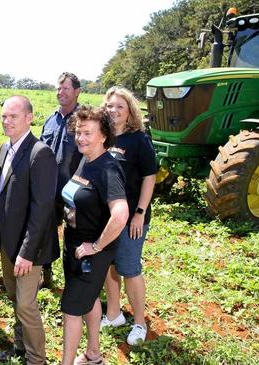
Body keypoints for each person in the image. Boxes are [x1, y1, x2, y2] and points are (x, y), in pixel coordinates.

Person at [0, 96, 58, 365]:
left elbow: (42, 208)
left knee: (26, 305)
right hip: (7, 243)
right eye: (4, 116)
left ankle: (36, 359)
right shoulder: (4, 148)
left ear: (29, 118)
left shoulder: (40, 153)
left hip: (28, 248)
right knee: (13, 296)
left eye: (13, 116)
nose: (7, 121)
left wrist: (27, 252)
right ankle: (20, 347)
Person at [60, 106, 128, 365]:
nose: (81, 138)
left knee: (71, 309)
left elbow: (120, 214)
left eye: (88, 133)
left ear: (103, 136)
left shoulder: (108, 168)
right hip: (74, 244)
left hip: (92, 251)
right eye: (78, 132)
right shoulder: (86, 159)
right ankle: (93, 354)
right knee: (88, 302)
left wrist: (97, 246)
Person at [100, 86, 157, 346]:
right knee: (109, 266)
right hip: (106, 216)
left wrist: (140, 213)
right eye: (110, 106)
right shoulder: (104, 136)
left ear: (130, 111)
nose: (114, 111)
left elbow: (149, 177)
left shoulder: (138, 140)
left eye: (119, 107)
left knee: (129, 268)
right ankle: (113, 314)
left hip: (131, 217)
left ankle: (139, 323)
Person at [40, 72, 82, 288]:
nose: (60, 92)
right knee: (47, 232)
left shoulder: (84, 119)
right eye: (58, 88)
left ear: (77, 91)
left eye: (65, 88)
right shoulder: (50, 119)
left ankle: (75, 281)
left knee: (74, 236)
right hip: (49, 188)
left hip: (75, 192)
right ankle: (46, 274)